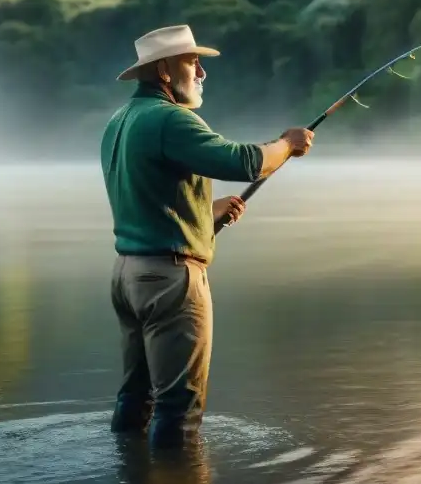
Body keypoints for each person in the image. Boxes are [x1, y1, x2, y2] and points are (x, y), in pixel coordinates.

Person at [100, 24, 313, 448]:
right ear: (163, 70)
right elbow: (245, 161)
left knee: (136, 398)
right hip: (169, 282)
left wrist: (205, 213)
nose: (201, 72)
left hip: (128, 276)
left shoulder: (120, 121)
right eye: (192, 61)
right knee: (179, 410)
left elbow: (146, 195)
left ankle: (130, 477)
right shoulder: (169, 118)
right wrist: (287, 145)